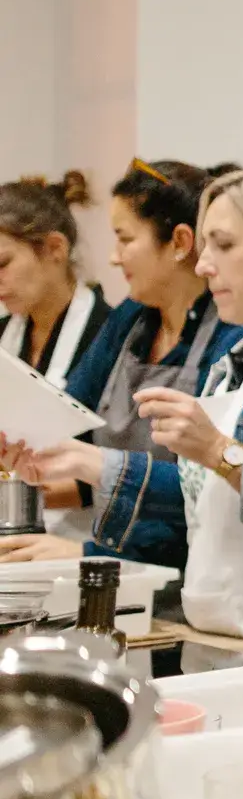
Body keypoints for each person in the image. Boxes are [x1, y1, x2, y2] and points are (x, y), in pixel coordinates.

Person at [4, 170, 243, 639]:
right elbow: (206, 507)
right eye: (205, 245)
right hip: (216, 634)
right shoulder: (237, 362)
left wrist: (219, 453)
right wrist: (86, 463)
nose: (205, 264)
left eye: (223, 245)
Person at [0, 159, 243, 570]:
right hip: (119, 560)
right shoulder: (130, 318)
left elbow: (211, 489)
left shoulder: (231, 335)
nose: (114, 258)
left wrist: (94, 552)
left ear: (181, 243)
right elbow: (65, 418)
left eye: (125, 239)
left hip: (188, 567)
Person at [0, 174, 112, 540]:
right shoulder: (4, 333)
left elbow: (115, 467)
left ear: (55, 248)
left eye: (3, 263)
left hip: (83, 542)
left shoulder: (108, 335)